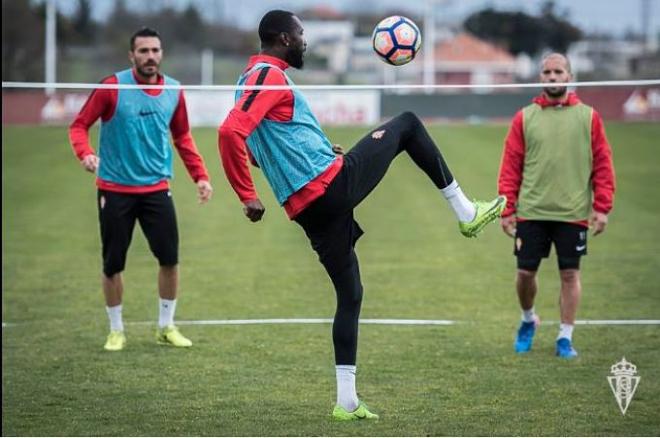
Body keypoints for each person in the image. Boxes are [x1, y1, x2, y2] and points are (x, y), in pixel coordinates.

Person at [218, 10, 504, 420]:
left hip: (307, 209)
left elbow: (261, 150)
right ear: (283, 38)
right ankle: (466, 210)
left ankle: (346, 401)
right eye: (300, 34)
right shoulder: (268, 75)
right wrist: (246, 195)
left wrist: (314, 154)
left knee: (350, 294)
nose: (304, 41)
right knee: (407, 124)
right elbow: (231, 133)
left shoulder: (247, 81)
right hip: (327, 190)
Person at [69, 27, 213, 351]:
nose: (150, 56)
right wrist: (86, 153)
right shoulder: (112, 86)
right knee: (113, 264)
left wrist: (200, 176)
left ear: (162, 54)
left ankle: (166, 326)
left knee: (169, 259)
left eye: (155, 50)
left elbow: (183, 137)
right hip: (115, 189)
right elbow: (79, 125)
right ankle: (116, 330)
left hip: (156, 190)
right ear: (131, 55)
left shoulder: (174, 90)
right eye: (144, 51)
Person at [498, 53, 615, 359]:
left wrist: (602, 206)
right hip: (532, 211)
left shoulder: (589, 117)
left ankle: (565, 336)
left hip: (573, 213)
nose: (551, 76)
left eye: (558, 71)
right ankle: (528, 320)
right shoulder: (525, 117)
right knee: (524, 274)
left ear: (568, 76)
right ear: (541, 77)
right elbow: (511, 165)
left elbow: (602, 164)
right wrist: (507, 208)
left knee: (570, 276)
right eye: (546, 71)